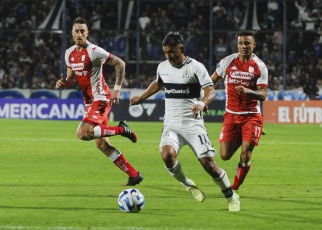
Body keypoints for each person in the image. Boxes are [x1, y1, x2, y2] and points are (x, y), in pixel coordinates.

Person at [130, 32, 240, 211]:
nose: (168, 56)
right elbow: (158, 83)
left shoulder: (196, 67)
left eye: (172, 52)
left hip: (193, 124)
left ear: (181, 49)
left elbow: (210, 90)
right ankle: (188, 184)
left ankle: (231, 196)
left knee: (210, 166)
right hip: (171, 124)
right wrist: (141, 98)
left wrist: (201, 103)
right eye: (165, 52)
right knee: (167, 156)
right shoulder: (163, 67)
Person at [55, 17, 143, 186]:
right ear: (72, 33)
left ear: (87, 33)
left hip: (101, 98)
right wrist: (65, 82)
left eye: (83, 31)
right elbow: (71, 79)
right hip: (89, 102)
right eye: (77, 31)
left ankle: (121, 129)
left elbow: (120, 63)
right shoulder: (69, 54)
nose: (80, 34)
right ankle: (134, 175)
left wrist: (117, 89)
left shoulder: (94, 51)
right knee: (102, 144)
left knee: (83, 133)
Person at [211, 30, 268, 198]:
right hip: (231, 115)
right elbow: (211, 81)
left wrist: (247, 91)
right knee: (224, 155)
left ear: (254, 45)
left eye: (247, 43)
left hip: (251, 115)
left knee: (245, 154)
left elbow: (263, 95)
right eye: (241, 43)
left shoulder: (260, 66)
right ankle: (248, 137)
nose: (244, 46)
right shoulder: (228, 61)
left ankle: (235, 187)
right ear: (237, 45)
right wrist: (204, 100)